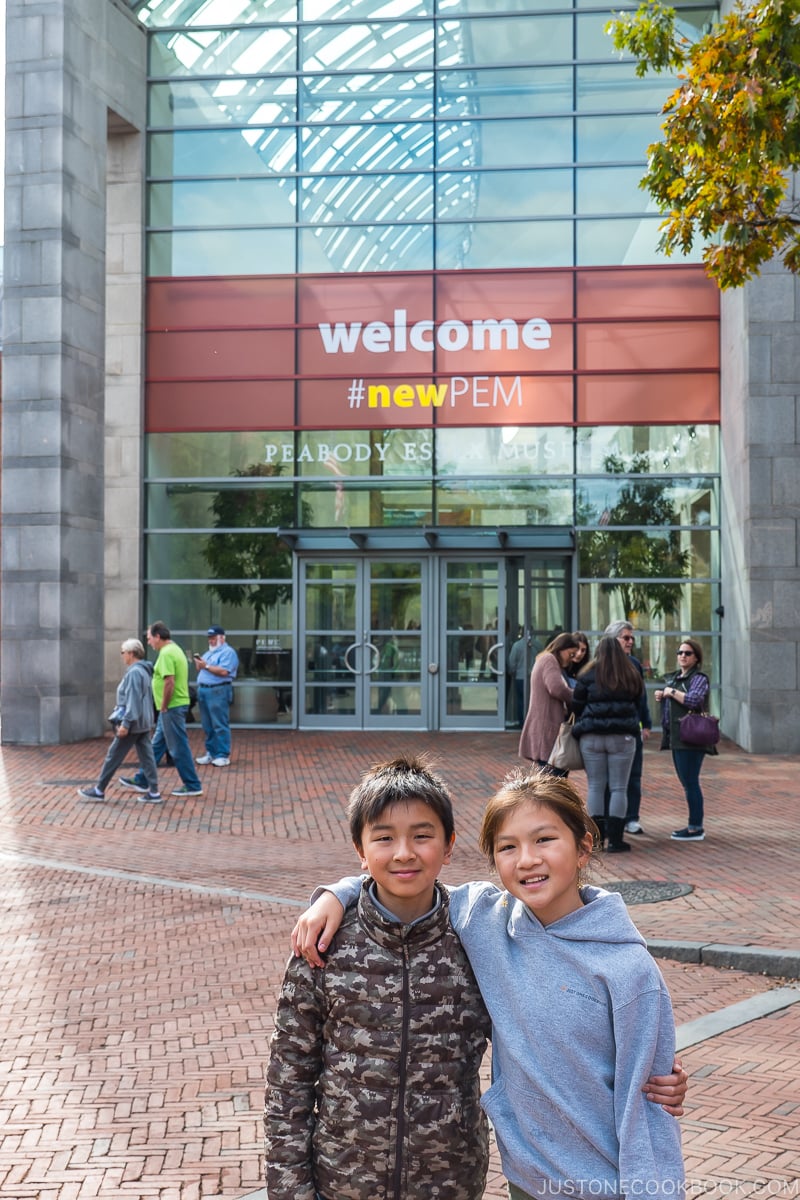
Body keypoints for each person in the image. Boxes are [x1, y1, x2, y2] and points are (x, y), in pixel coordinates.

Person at [294, 770, 687, 1200]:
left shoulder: (629, 970)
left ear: (583, 847)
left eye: (544, 840)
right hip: (527, 1182)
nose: (527, 860)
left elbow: (650, 1115)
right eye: (507, 847)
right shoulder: (485, 922)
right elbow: (404, 878)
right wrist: (337, 893)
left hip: (606, 1186)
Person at [264, 755, 492, 1200]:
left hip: (450, 1182)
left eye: (422, 836)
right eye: (384, 838)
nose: (404, 853)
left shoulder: (476, 939)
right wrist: (290, 1189)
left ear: (448, 846)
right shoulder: (324, 943)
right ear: (360, 850)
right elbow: (288, 1078)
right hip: (342, 1181)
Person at [571, 635, 643, 852]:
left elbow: (576, 704)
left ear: (598, 651)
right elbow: (639, 703)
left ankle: (597, 840)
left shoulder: (587, 674)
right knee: (619, 787)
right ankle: (616, 841)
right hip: (623, 737)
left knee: (595, 786)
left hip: (591, 736)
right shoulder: (631, 674)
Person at [120, 621, 203, 798]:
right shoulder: (175, 649)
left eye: (150, 638)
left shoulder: (166, 654)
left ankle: (193, 784)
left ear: (158, 637)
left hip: (171, 708)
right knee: (156, 745)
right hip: (172, 707)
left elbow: (169, 681)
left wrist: (163, 706)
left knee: (178, 747)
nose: (149, 642)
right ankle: (142, 778)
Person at [77, 638, 161, 804]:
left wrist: (126, 724)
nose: (122, 656)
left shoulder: (135, 673)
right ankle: (154, 792)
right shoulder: (143, 671)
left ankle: (99, 789)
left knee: (113, 755)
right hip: (143, 722)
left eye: (123, 652)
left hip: (134, 724)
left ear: (131, 653)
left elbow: (133, 700)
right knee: (147, 757)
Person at [655, 637, 713, 841]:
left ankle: (695, 827)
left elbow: (694, 700)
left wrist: (671, 692)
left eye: (687, 653)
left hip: (692, 738)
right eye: (680, 653)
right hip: (677, 737)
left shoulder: (698, 678)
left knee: (690, 782)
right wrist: (663, 695)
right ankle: (694, 825)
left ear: (696, 658)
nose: (682, 656)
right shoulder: (675, 679)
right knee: (687, 782)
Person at [603, 620, 652, 835]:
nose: (630, 641)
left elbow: (641, 697)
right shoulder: (600, 664)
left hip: (631, 728)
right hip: (607, 729)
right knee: (605, 777)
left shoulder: (634, 664)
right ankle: (606, 818)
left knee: (634, 775)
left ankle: (632, 817)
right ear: (613, 640)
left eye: (632, 638)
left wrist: (646, 723)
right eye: (626, 637)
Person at [518, 632, 579, 774]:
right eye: (570, 654)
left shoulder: (546, 659)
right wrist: (576, 696)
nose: (571, 659)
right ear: (561, 648)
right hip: (546, 730)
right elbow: (556, 688)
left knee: (551, 781)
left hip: (546, 729)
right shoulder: (549, 660)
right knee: (552, 782)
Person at [193, 624, 238, 767]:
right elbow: (202, 668)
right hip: (205, 690)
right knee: (207, 725)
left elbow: (224, 671)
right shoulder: (209, 653)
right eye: (209, 638)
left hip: (218, 690)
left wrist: (205, 666)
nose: (211, 641)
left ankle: (223, 755)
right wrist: (200, 664)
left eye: (214, 638)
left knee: (219, 723)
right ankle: (211, 753)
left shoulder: (228, 652)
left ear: (222, 638)